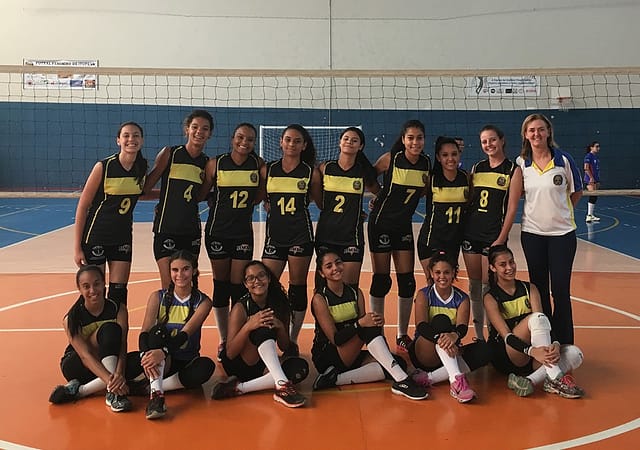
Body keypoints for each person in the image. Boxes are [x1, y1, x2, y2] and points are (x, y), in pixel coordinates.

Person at [310, 251, 428, 400]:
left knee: (397, 363)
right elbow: (336, 339)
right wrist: (361, 324)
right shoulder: (320, 299)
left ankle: (334, 379)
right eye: (329, 266)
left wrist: (376, 322)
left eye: (338, 262)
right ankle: (402, 381)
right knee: (370, 330)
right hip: (328, 355)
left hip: (350, 351)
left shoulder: (355, 293)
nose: (335, 268)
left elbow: (365, 331)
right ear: (321, 273)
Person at [199, 123, 265, 360]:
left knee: (238, 286)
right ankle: (224, 339)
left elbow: (259, 196)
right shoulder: (215, 164)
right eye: (240, 137)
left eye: (249, 139)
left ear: (254, 142)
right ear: (232, 138)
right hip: (217, 231)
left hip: (242, 233)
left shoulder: (258, 165)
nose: (244, 142)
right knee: (221, 285)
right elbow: (202, 193)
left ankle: (237, 336)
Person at [483, 245, 585, 398]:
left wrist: (555, 344)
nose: (509, 267)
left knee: (575, 354)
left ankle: (529, 380)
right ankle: (555, 378)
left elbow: (545, 323)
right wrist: (532, 351)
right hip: (509, 355)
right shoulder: (490, 297)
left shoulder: (529, 288)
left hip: (535, 356)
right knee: (536, 318)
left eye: (511, 262)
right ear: (493, 268)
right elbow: (507, 337)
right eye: (503, 264)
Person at [516, 113, 583, 344]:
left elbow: (577, 191)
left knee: (561, 291)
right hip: (532, 234)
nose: (536, 134)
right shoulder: (521, 163)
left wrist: (562, 211)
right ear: (526, 135)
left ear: (548, 132)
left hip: (562, 235)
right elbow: (517, 194)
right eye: (532, 130)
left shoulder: (563, 159)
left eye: (541, 129)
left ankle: (565, 343)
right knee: (540, 290)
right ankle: (546, 340)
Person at [367, 119, 431, 353]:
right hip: (381, 224)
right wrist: (379, 195)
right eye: (410, 138)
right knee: (381, 280)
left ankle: (402, 335)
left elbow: (423, 190)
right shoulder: (391, 158)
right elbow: (369, 177)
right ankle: (378, 334)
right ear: (403, 139)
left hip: (403, 225)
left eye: (419, 138)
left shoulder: (426, 163)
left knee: (407, 282)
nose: (415, 142)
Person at [128, 250, 215, 419]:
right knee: (155, 333)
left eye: (185, 269)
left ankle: (149, 387)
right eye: (175, 270)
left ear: (194, 271)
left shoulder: (203, 302)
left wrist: (164, 351)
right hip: (159, 361)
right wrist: (145, 356)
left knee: (206, 367)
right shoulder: (157, 297)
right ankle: (157, 397)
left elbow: (185, 334)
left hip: (184, 361)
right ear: (169, 272)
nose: (180, 275)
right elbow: (144, 332)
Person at [211, 260, 309, 408]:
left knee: (300, 368)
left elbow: (284, 346)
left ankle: (240, 388)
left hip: (263, 365)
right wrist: (248, 327)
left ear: (269, 278)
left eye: (261, 276)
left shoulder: (280, 302)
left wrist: (280, 327)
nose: (257, 281)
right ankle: (282, 387)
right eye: (251, 278)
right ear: (245, 284)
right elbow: (230, 353)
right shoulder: (240, 307)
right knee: (263, 329)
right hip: (238, 364)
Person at [261, 124, 322, 357]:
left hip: (300, 235)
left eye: (297, 141)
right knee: (267, 286)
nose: (292, 144)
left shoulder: (310, 172)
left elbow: (321, 203)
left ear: (304, 145)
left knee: (297, 288)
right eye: (288, 139)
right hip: (274, 236)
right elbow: (260, 196)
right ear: (281, 142)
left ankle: (292, 340)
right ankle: (268, 335)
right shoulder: (269, 169)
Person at [73, 121, 147, 307]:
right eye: (126, 135)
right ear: (118, 140)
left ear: (142, 140)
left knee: (119, 293)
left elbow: (141, 193)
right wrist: (77, 247)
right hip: (96, 236)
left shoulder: (141, 169)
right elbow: (83, 206)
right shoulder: (104, 167)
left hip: (122, 237)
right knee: (95, 293)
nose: (131, 139)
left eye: (136, 135)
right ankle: (84, 325)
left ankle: (117, 327)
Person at [461, 125, 522, 341]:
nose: (489, 145)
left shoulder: (513, 170)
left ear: (502, 140)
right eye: (484, 141)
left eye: (492, 140)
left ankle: (493, 335)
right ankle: (479, 337)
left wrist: (501, 238)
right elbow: (469, 199)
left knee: (489, 287)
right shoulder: (477, 168)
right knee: (474, 286)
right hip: (471, 234)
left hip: (493, 236)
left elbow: (512, 208)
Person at [144, 110, 213, 289]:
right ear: (186, 129)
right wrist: (166, 196)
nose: (199, 132)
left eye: (205, 129)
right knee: (170, 286)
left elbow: (200, 196)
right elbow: (145, 189)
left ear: (210, 134)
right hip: (166, 228)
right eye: (195, 127)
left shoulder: (207, 163)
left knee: (190, 286)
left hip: (191, 230)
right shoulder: (170, 153)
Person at [48, 265, 132, 412]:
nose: (92, 290)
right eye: (86, 286)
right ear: (79, 289)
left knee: (140, 363)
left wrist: (119, 373)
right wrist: (112, 381)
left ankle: (80, 391)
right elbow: (85, 355)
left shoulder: (118, 309)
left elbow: (122, 345)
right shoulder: (71, 318)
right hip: (78, 365)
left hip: (108, 362)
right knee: (109, 329)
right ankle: (114, 394)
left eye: (96, 284)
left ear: (104, 283)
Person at [408, 252, 489, 403]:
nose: (442, 277)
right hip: (424, 352)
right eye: (437, 272)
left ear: (453, 273)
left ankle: (430, 378)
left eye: (446, 272)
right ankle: (457, 381)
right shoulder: (424, 294)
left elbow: (462, 327)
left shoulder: (462, 298)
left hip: (449, 352)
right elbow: (422, 326)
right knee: (441, 322)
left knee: (484, 350)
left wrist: (454, 335)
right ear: (431, 273)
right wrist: (442, 338)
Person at [315, 127, 380, 288]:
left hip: (352, 236)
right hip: (326, 234)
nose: (349, 142)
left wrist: (374, 202)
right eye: (346, 138)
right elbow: (314, 196)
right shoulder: (325, 168)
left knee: (350, 289)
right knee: (323, 288)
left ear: (361, 146)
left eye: (354, 140)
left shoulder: (363, 172)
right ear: (340, 142)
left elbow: (380, 193)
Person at [417, 136, 469, 280]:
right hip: (431, 241)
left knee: (447, 284)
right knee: (434, 285)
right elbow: (411, 195)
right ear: (438, 158)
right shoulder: (431, 179)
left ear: (459, 155)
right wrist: (378, 199)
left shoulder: (466, 177)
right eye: (445, 155)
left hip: (453, 242)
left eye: (454, 154)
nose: (450, 159)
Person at [583, 141, 601, 222]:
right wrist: (591, 178)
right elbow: (586, 168)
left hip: (596, 179)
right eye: (596, 146)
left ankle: (591, 215)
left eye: (599, 146)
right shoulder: (588, 156)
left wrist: (597, 180)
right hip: (590, 180)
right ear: (591, 147)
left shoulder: (595, 157)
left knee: (595, 196)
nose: (598, 148)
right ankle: (589, 216)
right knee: (593, 195)